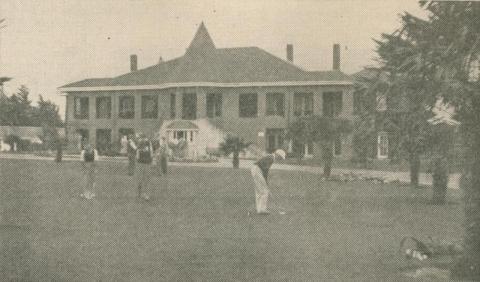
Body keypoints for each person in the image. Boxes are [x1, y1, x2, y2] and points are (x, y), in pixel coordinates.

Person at [250, 149, 286, 215]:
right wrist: (265, 181)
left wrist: (265, 181)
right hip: (257, 170)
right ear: (277, 155)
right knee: (264, 191)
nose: (280, 159)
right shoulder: (271, 158)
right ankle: (262, 209)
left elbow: (265, 170)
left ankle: (259, 209)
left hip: (255, 169)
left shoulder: (270, 157)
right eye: (280, 158)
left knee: (259, 190)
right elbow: (265, 170)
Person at [135, 133, 153, 200]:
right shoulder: (149, 143)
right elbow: (151, 153)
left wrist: (138, 159)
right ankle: (146, 194)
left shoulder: (139, 143)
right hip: (147, 162)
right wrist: (151, 160)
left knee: (140, 178)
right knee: (147, 179)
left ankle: (139, 193)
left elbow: (137, 153)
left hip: (140, 163)